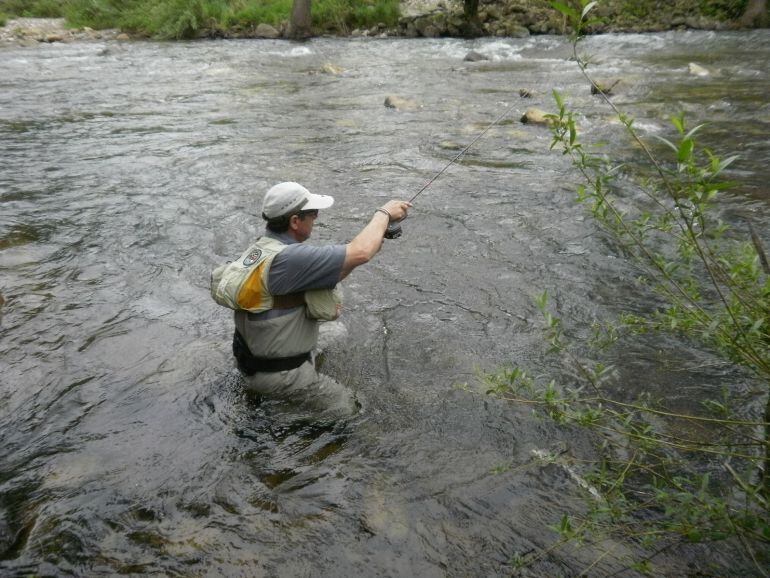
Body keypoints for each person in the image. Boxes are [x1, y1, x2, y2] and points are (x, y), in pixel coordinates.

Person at [231, 181, 411, 417]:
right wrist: (384, 214)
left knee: (337, 332)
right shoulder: (290, 259)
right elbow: (360, 252)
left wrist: (368, 246)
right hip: (280, 376)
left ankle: (261, 394)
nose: (316, 218)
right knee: (353, 411)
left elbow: (338, 268)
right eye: (313, 214)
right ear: (295, 222)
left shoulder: (263, 250)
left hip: (252, 363)